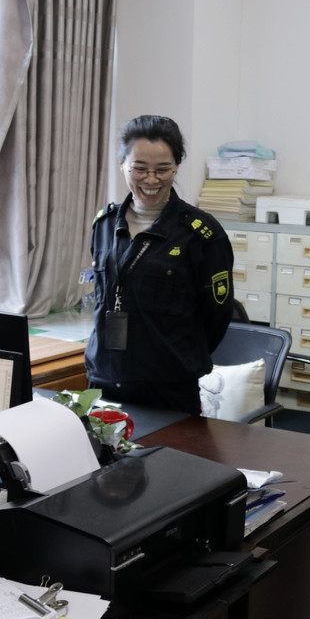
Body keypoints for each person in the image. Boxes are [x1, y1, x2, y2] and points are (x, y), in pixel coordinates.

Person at [84, 114, 234, 414]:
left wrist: (175, 356)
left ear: (176, 167)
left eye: (163, 169)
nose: (151, 180)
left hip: (168, 387)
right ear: (122, 165)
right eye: (139, 168)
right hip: (105, 378)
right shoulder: (104, 224)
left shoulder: (201, 233)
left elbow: (216, 316)